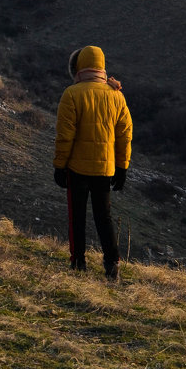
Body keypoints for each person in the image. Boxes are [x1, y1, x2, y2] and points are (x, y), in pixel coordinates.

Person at [53, 45, 133, 280]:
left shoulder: (72, 94)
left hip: (77, 169)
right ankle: (112, 264)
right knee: (104, 216)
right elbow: (125, 134)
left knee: (76, 216)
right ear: (101, 66)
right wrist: (122, 167)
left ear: (78, 66)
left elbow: (64, 135)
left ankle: (78, 263)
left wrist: (59, 165)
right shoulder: (116, 95)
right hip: (105, 168)